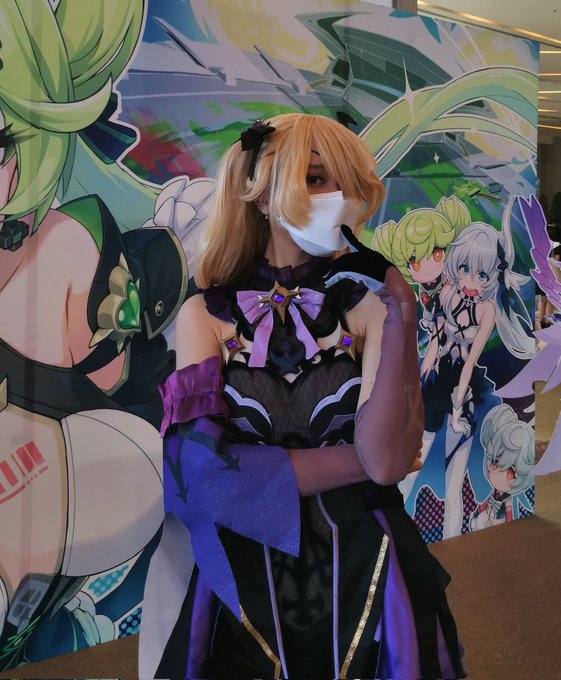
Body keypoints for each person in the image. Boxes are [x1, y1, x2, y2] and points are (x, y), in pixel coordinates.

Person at [141, 112, 466, 679]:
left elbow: (388, 462)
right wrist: (356, 462)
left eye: (346, 182)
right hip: (246, 572)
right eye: (315, 178)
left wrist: (403, 311)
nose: (336, 197)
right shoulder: (205, 316)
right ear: (263, 193)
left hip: (370, 566)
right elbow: (203, 477)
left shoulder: (370, 308)